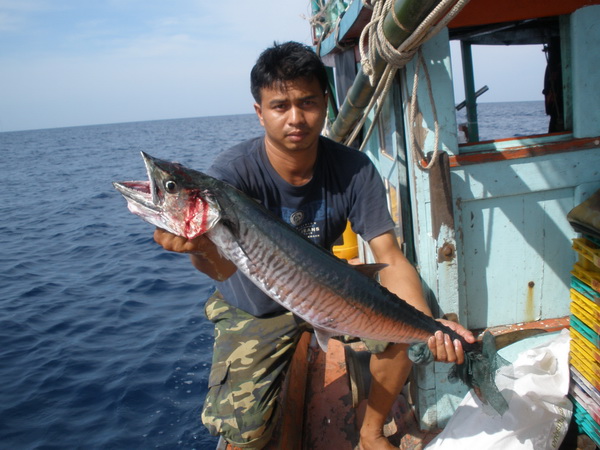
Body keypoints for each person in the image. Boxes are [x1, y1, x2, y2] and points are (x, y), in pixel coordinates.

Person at [154, 41, 475, 450]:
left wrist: (430, 326)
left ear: (326, 103)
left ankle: (371, 432)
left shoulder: (354, 169)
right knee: (245, 433)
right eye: (280, 106)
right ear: (259, 112)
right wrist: (198, 247)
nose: (296, 118)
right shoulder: (231, 175)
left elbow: (389, 257)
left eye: (307, 102)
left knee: (402, 336)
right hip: (255, 307)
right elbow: (221, 271)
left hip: (331, 294)